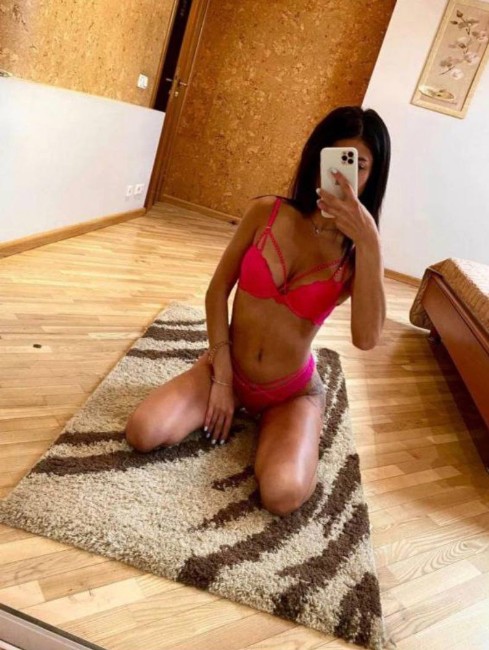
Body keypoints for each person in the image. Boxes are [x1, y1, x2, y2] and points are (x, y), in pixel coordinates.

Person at [125, 105, 391, 517]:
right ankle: (243, 408)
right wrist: (222, 379)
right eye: (337, 158)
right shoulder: (266, 212)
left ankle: (295, 426)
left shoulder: (358, 256)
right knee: (142, 432)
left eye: (359, 165)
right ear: (317, 157)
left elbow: (367, 339)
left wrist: (370, 240)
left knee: (282, 495)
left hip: (290, 392)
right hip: (227, 368)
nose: (344, 176)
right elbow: (217, 292)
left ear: (374, 175)